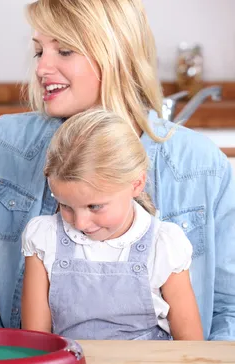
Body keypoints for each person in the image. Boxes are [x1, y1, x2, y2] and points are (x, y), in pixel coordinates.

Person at [0, 0, 235, 341]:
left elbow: (229, 308)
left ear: (116, 52)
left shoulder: (202, 165)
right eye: (39, 51)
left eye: (65, 51)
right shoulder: (2, 144)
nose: (42, 68)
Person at [21, 108, 204, 340]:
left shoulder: (164, 244)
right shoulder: (43, 237)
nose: (80, 222)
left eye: (94, 207)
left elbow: (191, 346)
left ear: (136, 185)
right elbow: (35, 341)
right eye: (65, 206)